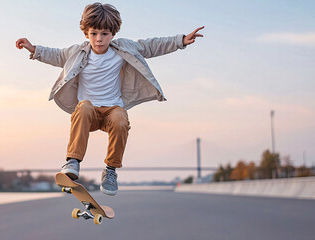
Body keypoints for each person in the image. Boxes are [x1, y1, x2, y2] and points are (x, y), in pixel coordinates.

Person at [16, 2, 203, 196]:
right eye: (94, 33)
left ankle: (110, 171)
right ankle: (73, 162)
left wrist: (180, 40)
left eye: (104, 34)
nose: (99, 39)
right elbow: (55, 55)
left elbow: (151, 46)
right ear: (86, 33)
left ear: (113, 34)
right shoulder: (77, 52)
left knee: (121, 117)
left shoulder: (124, 49)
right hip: (88, 113)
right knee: (84, 107)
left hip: (112, 110)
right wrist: (33, 49)